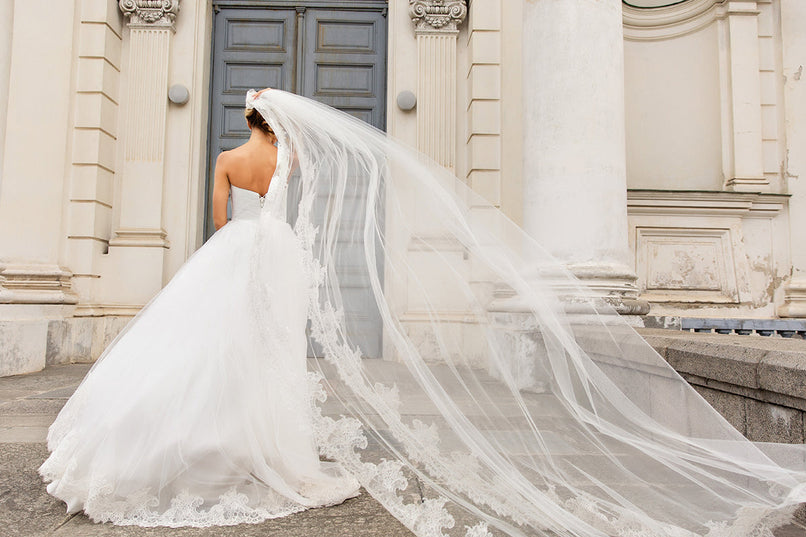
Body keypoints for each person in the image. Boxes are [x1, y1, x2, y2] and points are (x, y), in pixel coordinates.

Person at [42, 88, 806, 536]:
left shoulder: (226, 161)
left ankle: (205, 436)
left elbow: (218, 223)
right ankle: (255, 442)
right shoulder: (295, 159)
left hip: (236, 252)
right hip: (276, 253)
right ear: (282, 123)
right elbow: (299, 208)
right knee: (265, 351)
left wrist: (235, 233)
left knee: (210, 349)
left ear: (246, 122)